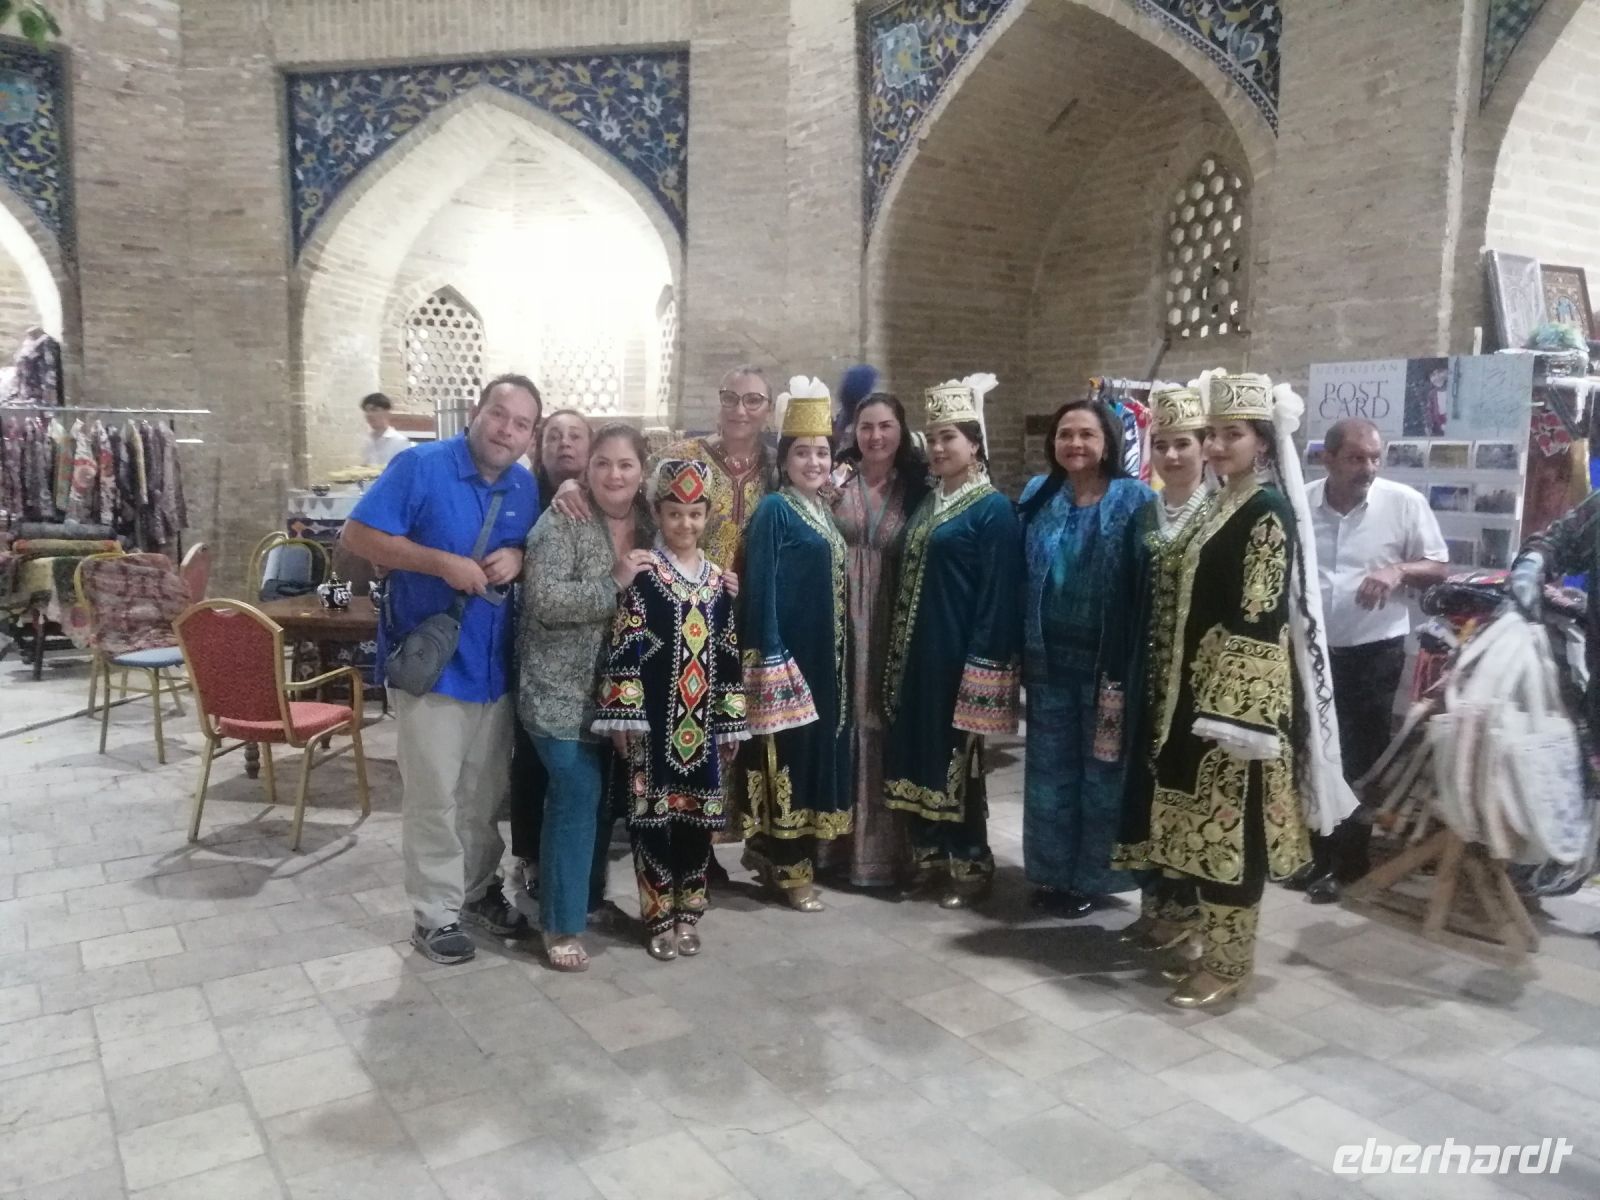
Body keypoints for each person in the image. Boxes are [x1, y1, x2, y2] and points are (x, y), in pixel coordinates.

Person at [1115, 370, 1355, 1008]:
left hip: (1235, 712)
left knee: (1231, 834)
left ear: (1262, 442)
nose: (1218, 446)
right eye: (1214, 434)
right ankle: (1198, 935)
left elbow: (1260, 614)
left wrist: (1235, 716)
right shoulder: (1227, 502)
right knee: (1198, 829)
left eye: (1233, 435)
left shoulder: (1265, 509)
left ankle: (1228, 964)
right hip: (1194, 698)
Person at [343, 374, 544, 965]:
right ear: (476, 412)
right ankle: (435, 915)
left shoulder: (524, 486)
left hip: (495, 668)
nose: (506, 431)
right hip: (434, 668)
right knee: (435, 797)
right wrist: (440, 564)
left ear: (530, 435)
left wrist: (519, 556)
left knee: (483, 796)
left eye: (521, 424)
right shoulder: (420, 466)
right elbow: (358, 535)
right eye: (499, 415)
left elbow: (533, 550)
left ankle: (477, 892)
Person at [594, 458, 747, 959]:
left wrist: (730, 721)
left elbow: (727, 652)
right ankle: (657, 916)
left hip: (702, 730)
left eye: (695, 514)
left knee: (698, 822)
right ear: (658, 514)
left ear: (708, 517)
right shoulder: (644, 574)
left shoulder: (717, 583)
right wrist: (624, 716)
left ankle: (689, 914)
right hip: (651, 727)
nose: (685, 524)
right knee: (651, 821)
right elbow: (626, 642)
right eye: (675, 513)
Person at [882, 374, 1023, 909]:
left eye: (950, 438)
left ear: (975, 445)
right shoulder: (930, 502)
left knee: (957, 765)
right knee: (918, 758)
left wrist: (983, 673)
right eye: (934, 438)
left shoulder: (992, 510)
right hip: (914, 659)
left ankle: (969, 864)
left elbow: (999, 595)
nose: (939, 448)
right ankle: (929, 859)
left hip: (957, 662)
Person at [518, 424, 653, 971]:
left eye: (625, 464)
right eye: (602, 463)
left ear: (642, 471)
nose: (613, 475)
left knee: (602, 803)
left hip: (621, 693)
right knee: (576, 794)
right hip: (557, 690)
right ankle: (560, 924)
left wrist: (717, 583)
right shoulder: (563, 519)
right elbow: (544, 600)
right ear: (587, 468)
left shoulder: (650, 522)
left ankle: (589, 901)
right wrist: (613, 582)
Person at [1296, 417, 1447, 903]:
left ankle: (1350, 864)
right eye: (1356, 458)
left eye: (1375, 457)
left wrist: (1398, 569)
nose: (1369, 467)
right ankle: (1314, 855)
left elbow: (1439, 566)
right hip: (1311, 651)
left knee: (1360, 758)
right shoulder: (1301, 502)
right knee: (1314, 751)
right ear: (1328, 458)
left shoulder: (1403, 503)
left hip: (1373, 652)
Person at [1018, 398, 1155, 918]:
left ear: (1108, 442)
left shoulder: (1135, 498)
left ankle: (1092, 879)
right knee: (1049, 776)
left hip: (1108, 667)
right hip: (1048, 663)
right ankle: (1052, 874)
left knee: (1101, 778)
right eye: (1064, 434)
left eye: (1086, 435)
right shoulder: (1039, 493)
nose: (1074, 443)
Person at [737, 377, 851, 911]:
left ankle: (773, 858)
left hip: (824, 665)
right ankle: (789, 867)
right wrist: (770, 660)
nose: (814, 461)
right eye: (802, 452)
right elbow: (759, 589)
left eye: (822, 452)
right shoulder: (774, 511)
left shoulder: (822, 510)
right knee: (787, 760)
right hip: (787, 664)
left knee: (809, 756)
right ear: (784, 459)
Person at [1116, 383, 1212, 949]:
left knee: (1187, 792)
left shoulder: (1218, 515)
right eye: (1162, 445)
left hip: (1195, 685)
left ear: (1204, 448)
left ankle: (1191, 913)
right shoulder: (1143, 516)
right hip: (1145, 678)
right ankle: (1155, 905)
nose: (1171, 455)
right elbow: (1126, 596)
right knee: (1146, 791)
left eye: (1183, 444)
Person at [824, 392, 926, 887]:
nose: (876, 436)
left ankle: (885, 850)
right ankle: (831, 845)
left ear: (901, 431)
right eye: (866, 426)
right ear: (853, 432)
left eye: (886, 426)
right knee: (840, 719)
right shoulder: (834, 483)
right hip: (838, 619)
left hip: (892, 620)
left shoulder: (919, 489)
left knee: (883, 722)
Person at [510, 409, 595, 903]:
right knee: (530, 759)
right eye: (555, 436)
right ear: (538, 447)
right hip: (535, 652)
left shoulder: (604, 495)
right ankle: (530, 854)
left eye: (575, 436)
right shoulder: (523, 494)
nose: (565, 444)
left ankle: (579, 860)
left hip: (590, 659)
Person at [358, 392, 413, 468]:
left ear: (387, 412)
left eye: (374, 410)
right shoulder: (367, 440)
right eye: (366, 411)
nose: (369, 414)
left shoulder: (399, 441)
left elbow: (405, 469)